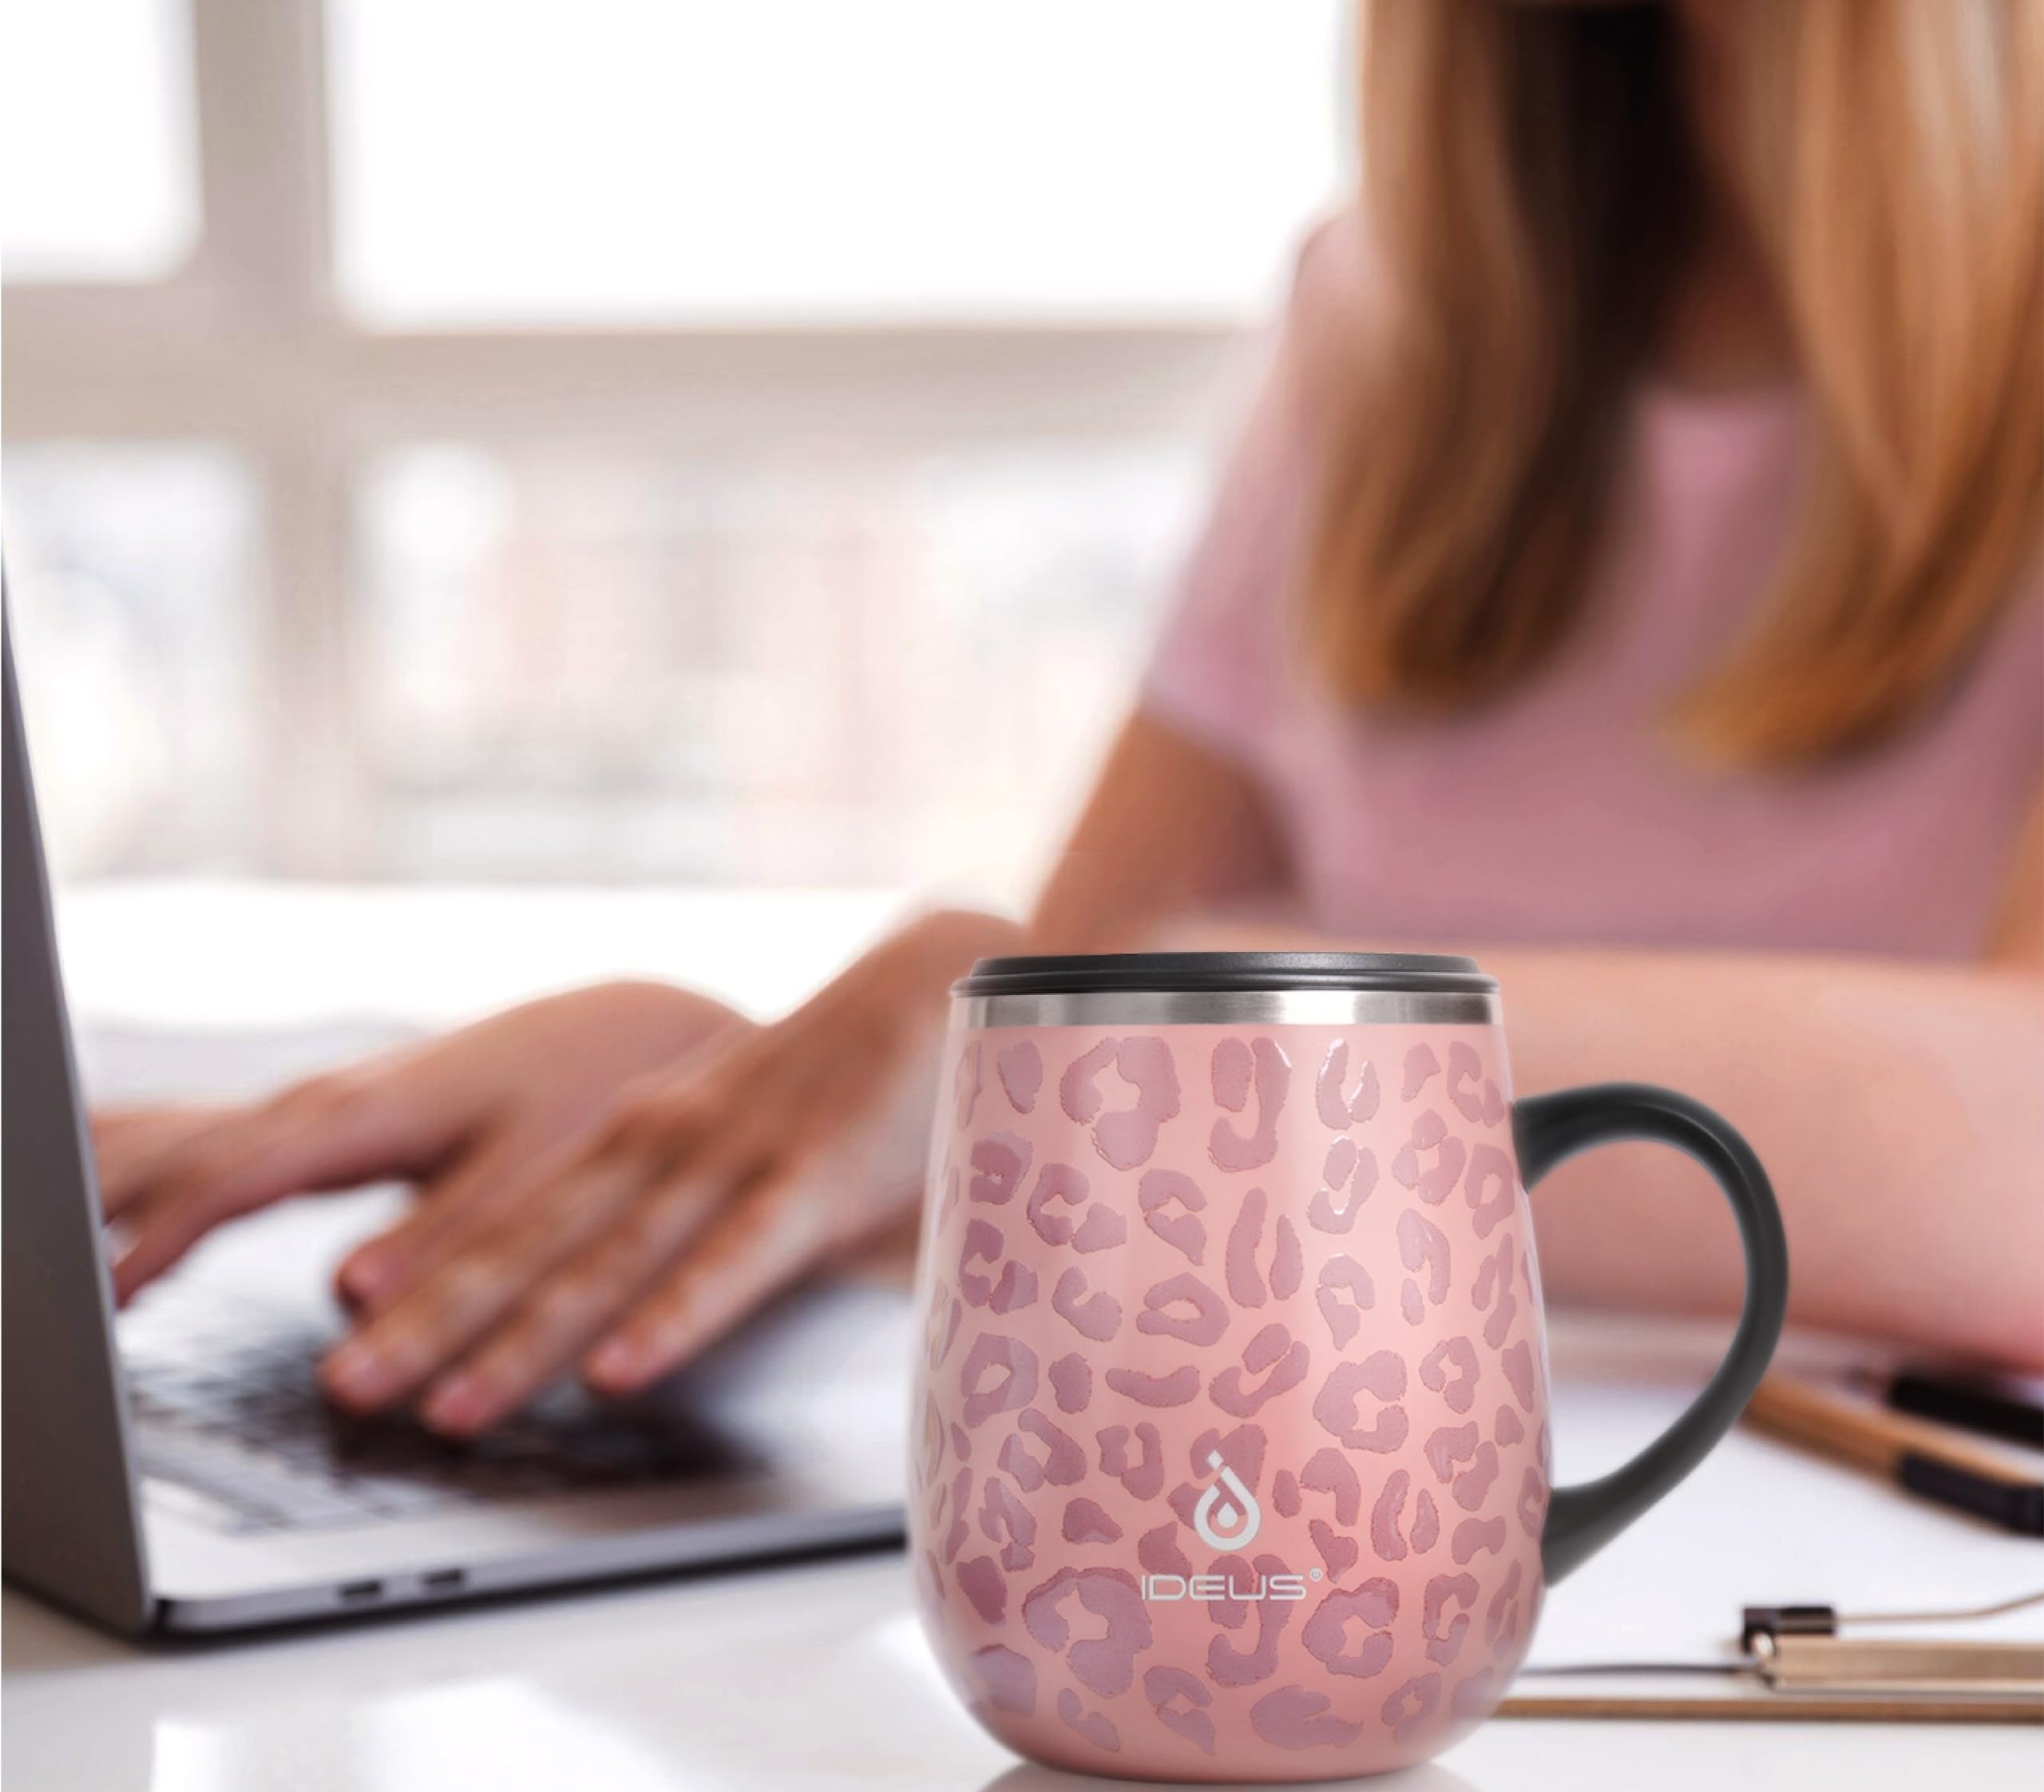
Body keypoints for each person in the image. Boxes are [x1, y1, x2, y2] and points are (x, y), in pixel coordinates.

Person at [95, 0, 2043, 1435]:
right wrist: (724, 1091)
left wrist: (1069, 1049)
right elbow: (1056, 1070)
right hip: (1286, 1533)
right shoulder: (1392, 316)